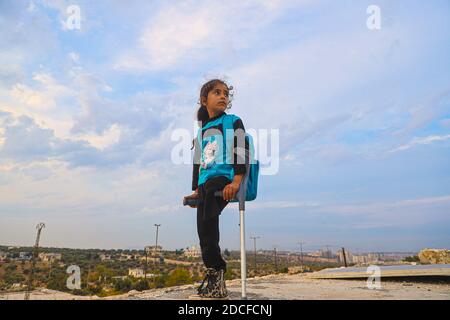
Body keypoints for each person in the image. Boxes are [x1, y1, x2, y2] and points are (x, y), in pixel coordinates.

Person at [187, 79, 249, 299]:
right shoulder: (201, 131)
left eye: (225, 93)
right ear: (205, 100)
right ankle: (215, 275)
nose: (223, 96)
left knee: (207, 221)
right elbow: (197, 164)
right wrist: (195, 189)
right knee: (204, 230)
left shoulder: (233, 121)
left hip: (224, 178)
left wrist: (236, 181)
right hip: (205, 185)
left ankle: (218, 271)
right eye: (217, 92)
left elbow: (242, 148)